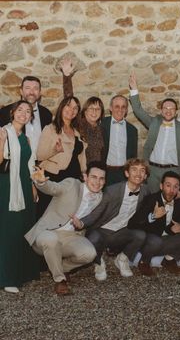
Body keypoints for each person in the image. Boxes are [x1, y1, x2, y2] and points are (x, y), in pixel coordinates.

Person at [28, 162, 106, 295]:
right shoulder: (72, 184)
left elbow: (92, 219)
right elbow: (53, 188)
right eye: (93, 177)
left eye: (101, 178)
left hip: (71, 236)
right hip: (48, 232)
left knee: (89, 254)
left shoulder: (99, 197)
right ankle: (59, 280)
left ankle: (61, 268)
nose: (97, 182)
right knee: (51, 239)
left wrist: (81, 224)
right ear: (85, 177)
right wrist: (41, 182)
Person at [79, 158, 151, 280]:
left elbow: (155, 200)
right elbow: (97, 212)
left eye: (142, 171)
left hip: (122, 231)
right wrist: (81, 223)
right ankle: (98, 262)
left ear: (145, 176)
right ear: (127, 173)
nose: (138, 174)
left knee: (141, 235)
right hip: (102, 229)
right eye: (134, 170)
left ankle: (122, 259)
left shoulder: (145, 192)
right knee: (94, 238)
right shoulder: (112, 191)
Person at [128, 171, 180, 276]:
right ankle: (144, 262)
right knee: (155, 241)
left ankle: (169, 260)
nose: (171, 190)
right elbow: (132, 224)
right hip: (150, 242)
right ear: (161, 186)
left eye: (175, 187)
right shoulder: (151, 200)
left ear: (179, 188)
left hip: (168, 240)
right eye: (168, 185)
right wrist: (153, 216)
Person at [0, 101, 40, 293]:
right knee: (10, 231)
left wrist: (33, 186)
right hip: (8, 187)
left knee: (24, 229)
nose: (24, 114)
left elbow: (28, 165)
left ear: (31, 117)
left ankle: (22, 273)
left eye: (28, 111)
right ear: (13, 112)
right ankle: (7, 277)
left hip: (24, 185)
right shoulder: (3, 132)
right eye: (20, 110)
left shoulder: (27, 138)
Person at [129, 72, 180, 192]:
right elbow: (138, 110)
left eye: (171, 108)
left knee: (171, 204)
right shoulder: (154, 123)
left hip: (173, 171)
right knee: (151, 201)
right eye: (165, 108)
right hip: (152, 171)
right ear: (161, 111)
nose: (168, 111)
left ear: (176, 112)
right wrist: (134, 90)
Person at [36, 96, 87, 218]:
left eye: (75, 108)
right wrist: (54, 150)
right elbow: (39, 155)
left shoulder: (77, 131)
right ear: (62, 107)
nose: (71, 110)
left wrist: (84, 173)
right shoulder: (50, 129)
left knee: (66, 215)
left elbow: (81, 156)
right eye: (68, 105)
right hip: (54, 177)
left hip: (73, 179)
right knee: (47, 215)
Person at [59, 57, 106, 164]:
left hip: (97, 172)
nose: (94, 112)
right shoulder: (79, 124)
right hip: (81, 171)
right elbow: (69, 100)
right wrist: (66, 77)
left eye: (98, 109)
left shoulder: (102, 129)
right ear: (84, 111)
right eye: (91, 108)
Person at [0, 75, 52, 154]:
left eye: (35, 88)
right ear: (21, 91)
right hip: (15, 163)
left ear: (40, 92)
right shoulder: (5, 112)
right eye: (27, 88)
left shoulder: (47, 114)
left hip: (41, 163)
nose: (31, 92)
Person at [101, 95, 138, 185]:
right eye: (117, 106)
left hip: (124, 174)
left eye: (123, 107)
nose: (120, 110)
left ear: (126, 110)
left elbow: (133, 156)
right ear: (110, 108)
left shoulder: (132, 130)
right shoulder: (102, 125)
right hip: (105, 172)